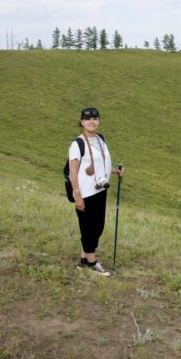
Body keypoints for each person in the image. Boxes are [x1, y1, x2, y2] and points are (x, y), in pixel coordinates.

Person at [68, 107, 124, 276]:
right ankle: (92, 263)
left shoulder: (100, 139)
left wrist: (114, 171)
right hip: (85, 193)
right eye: (88, 119)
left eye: (95, 118)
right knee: (89, 227)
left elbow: (101, 163)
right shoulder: (77, 144)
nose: (92, 122)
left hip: (100, 190)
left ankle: (83, 260)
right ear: (82, 122)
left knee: (97, 227)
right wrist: (78, 196)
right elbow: (73, 171)